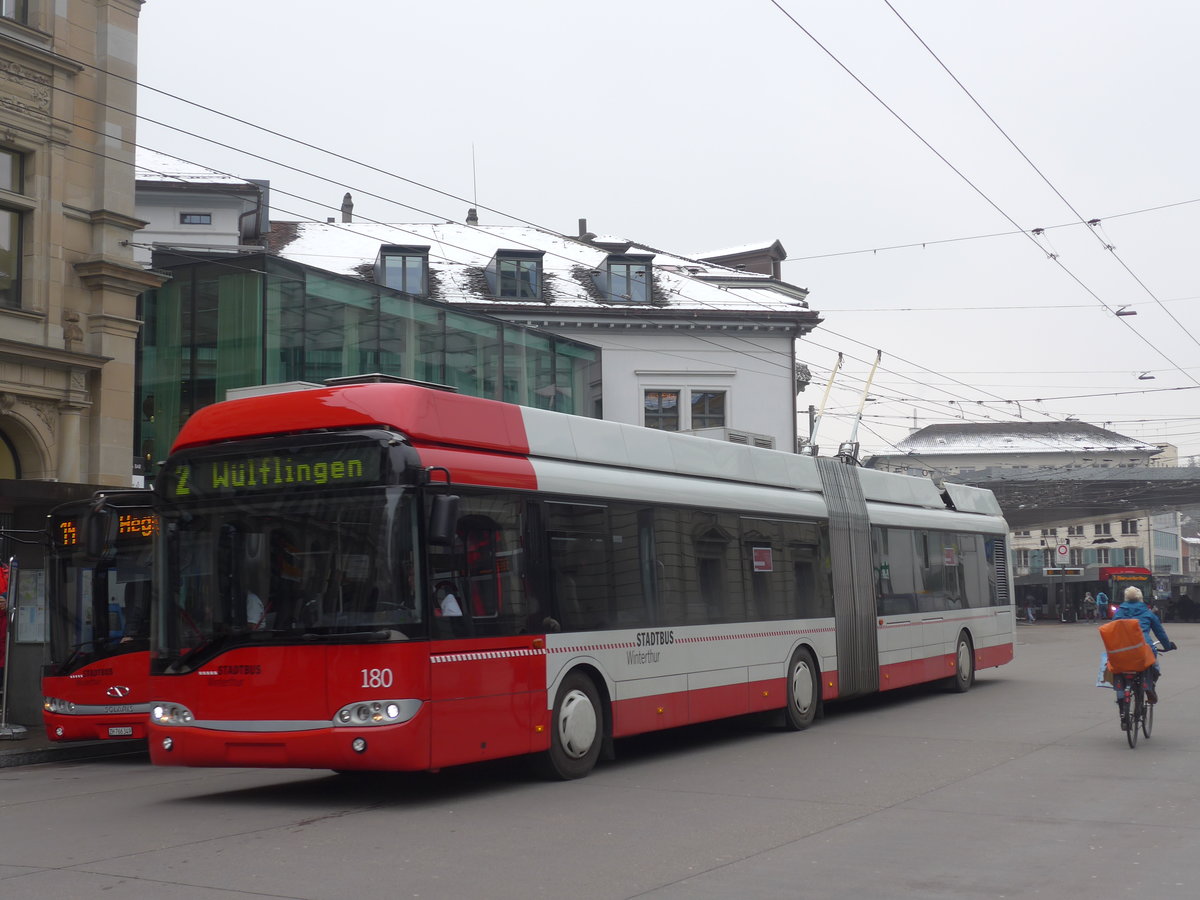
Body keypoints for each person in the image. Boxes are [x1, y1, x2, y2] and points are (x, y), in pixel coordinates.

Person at [1111, 586, 1176, 703]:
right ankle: (1150, 686)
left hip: (1122, 650)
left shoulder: (1118, 613)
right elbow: (1160, 633)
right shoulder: (1148, 613)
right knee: (1154, 666)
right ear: (1141, 598)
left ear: (1125, 598)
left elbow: (1112, 631)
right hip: (1143, 649)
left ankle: (1120, 698)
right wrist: (1167, 646)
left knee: (1118, 671)